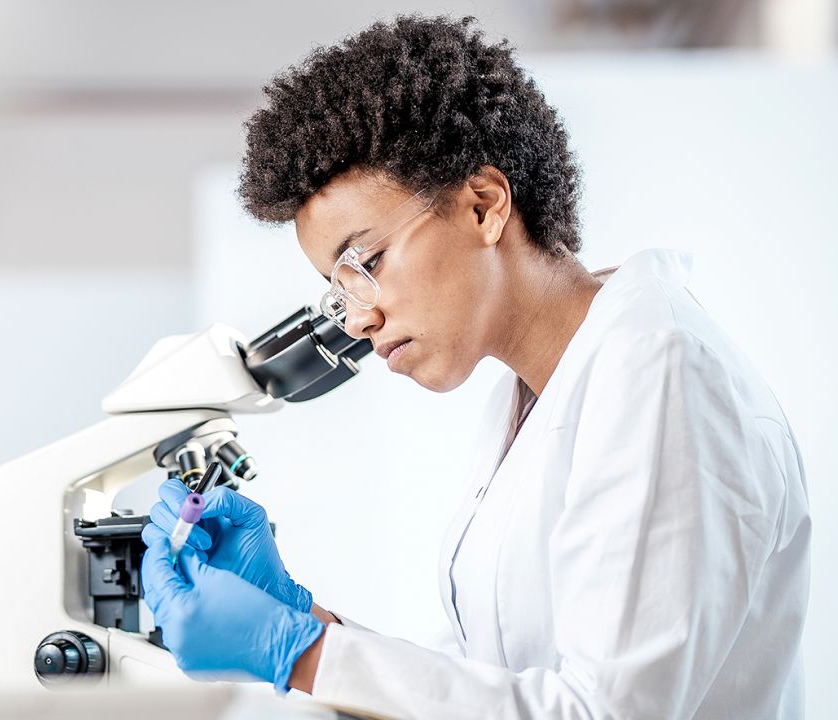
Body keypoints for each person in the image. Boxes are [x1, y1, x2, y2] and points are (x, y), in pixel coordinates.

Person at [141, 14, 810, 719]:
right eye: (338, 290)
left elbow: (605, 712)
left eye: (364, 264)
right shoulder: (531, 400)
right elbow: (498, 684)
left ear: (484, 204)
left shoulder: (660, 369)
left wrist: (304, 654)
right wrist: (309, 625)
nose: (359, 318)